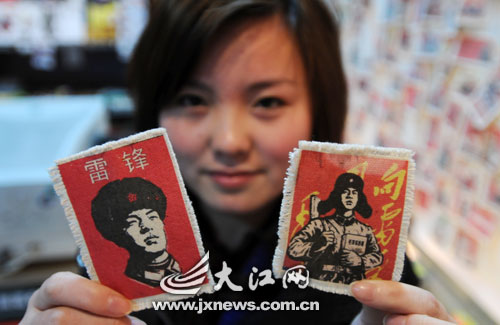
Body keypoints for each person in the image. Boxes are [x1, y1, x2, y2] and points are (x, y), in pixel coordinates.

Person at [21, 1, 455, 324]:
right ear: (154, 112)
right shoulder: (112, 254)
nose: (229, 141)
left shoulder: (374, 271)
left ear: (319, 110)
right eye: (192, 100)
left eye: (267, 101)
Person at [288, 173, 383, 283]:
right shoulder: (319, 224)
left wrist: (360, 261)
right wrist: (316, 245)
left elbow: (377, 256)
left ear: (359, 198)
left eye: (354, 193)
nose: (349, 196)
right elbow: (293, 249)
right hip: (320, 280)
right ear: (337, 195)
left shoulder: (365, 230)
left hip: (354, 284)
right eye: (345, 192)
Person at [91, 177, 180, 287]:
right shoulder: (129, 280)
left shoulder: (183, 265)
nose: (146, 227)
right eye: (133, 222)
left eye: (152, 217)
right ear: (120, 235)